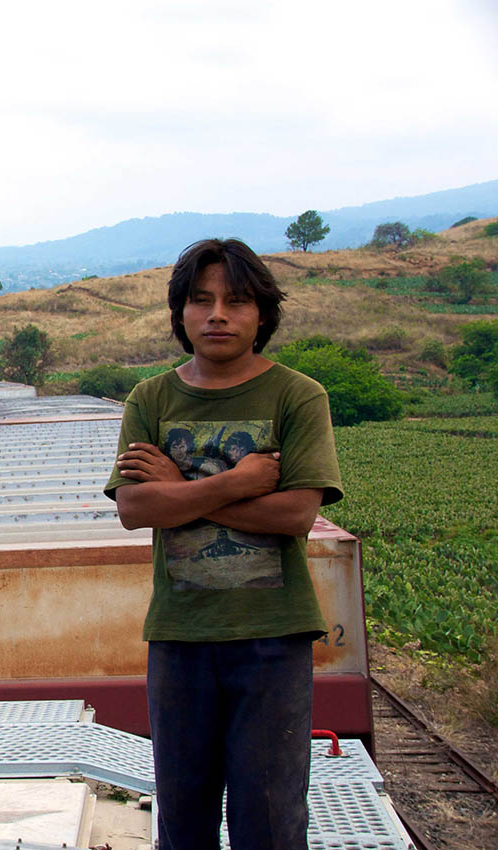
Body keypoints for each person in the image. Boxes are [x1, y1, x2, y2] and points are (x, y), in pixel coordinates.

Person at [104, 238, 343, 850]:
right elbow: (134, 508)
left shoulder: (297, 395)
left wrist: (179, 490)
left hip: (273, 638)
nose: (217, 314)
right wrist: (238, 481)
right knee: (183, 820)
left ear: (262, 314)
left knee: (269, 820)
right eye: (201, 300)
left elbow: (295, 512)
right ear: (180, 313)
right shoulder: (151, 399)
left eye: (235, 301)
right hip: (181, 637)